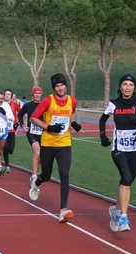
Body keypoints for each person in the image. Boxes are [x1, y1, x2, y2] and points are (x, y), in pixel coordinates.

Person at [99, 73, 136, 232]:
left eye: (130, 85)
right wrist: (103, 136)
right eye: (124, 84)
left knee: (126, 182)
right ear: (120, 87)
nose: (127, 88)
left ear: (134, 87)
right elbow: (102, 119)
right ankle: (123, 218)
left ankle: (115, 211)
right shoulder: (113, 103)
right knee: (127, 177)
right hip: (119, 148)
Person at [29, 73, 82, 223]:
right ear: (54, 88)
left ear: (66, 85)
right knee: (46, 175)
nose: (60, 88)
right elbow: (33, 117)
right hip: (48, 143)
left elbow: (71, 114)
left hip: (65, 143)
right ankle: (37, 182)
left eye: (62, 85)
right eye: (57, 86)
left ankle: (63, 209)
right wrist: (49, 127)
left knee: (64, 173)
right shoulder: (48, 101)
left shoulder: (72, 100)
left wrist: (74, 123)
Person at [18, 86, 44, 186]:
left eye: (39, 93)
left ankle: (35, 173)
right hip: (32, 133)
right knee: (37, 152)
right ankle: (34, 176)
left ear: (41, 94)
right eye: (35, 93)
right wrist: (23, 126)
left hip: (43, 134)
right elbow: (20, 115)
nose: (37, 95)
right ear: (32, 94)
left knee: (41, 157)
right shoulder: (28, 106)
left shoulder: (45, 105)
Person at [3, 89, 21, 173]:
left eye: (8, 94)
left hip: (12, 129)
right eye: (6, 94)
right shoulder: (1, 104)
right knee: (5, 147)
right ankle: (7, 165)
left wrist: (18, 123)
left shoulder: (15, 104)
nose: (7, 95)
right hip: (2, 129)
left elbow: (21, 113)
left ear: (11, 96)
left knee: (10, 150)